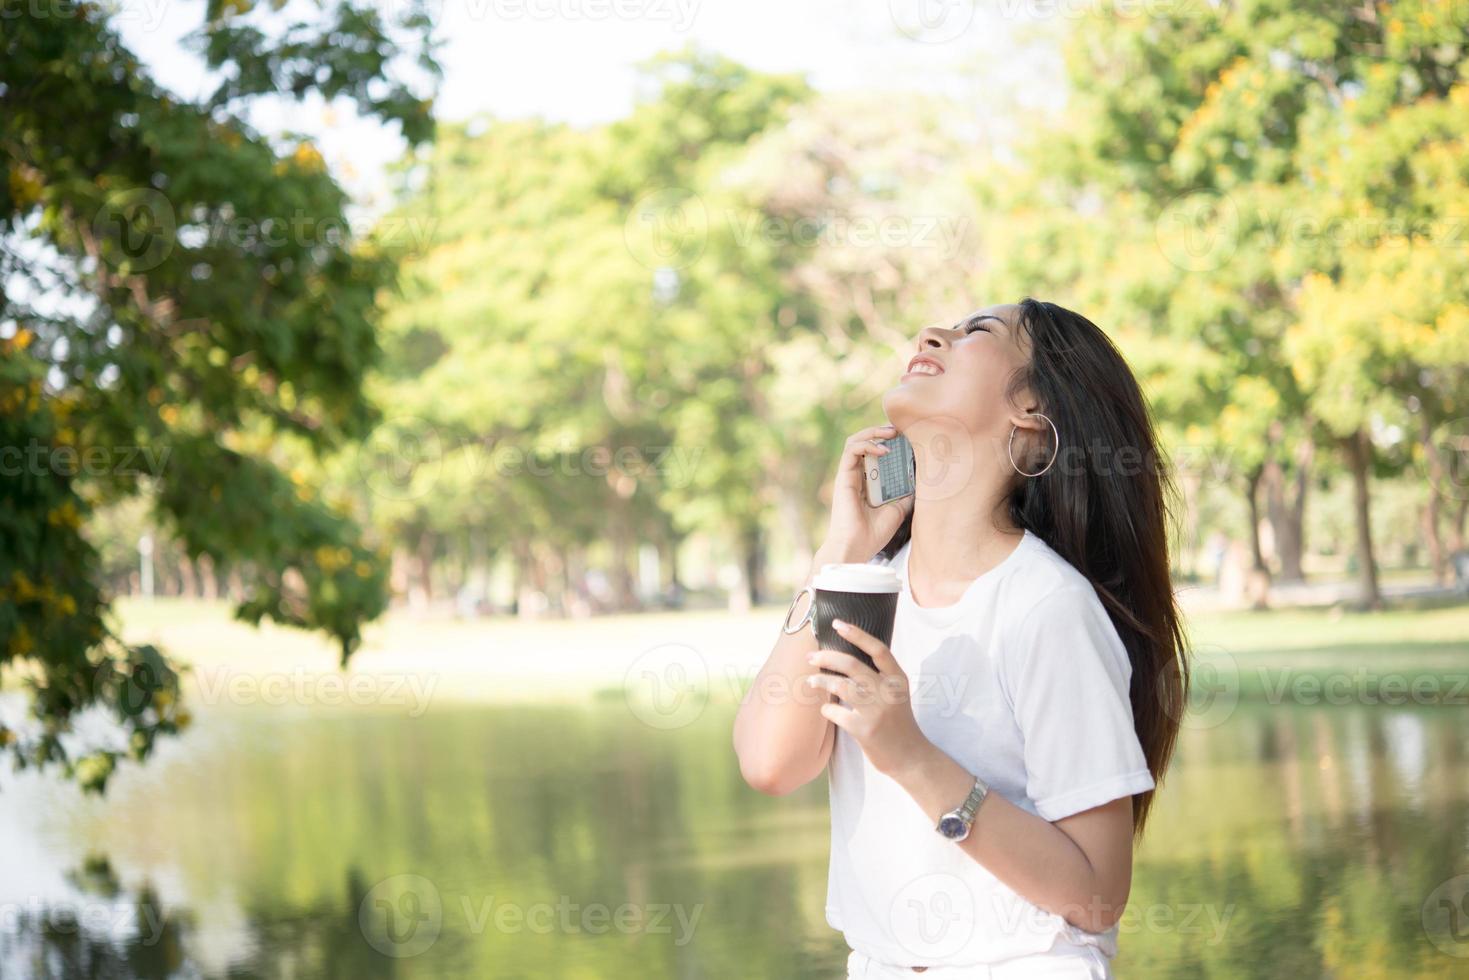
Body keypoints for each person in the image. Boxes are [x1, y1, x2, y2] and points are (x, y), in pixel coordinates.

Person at [733, 299, 1190, 978]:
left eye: (977, 332)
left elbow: (1096, 897)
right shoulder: (866, 584)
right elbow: (770, 765)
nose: (930, 335)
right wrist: (837, 551)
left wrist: (908, 753)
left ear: (1031, 414)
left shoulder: (1045, 606)